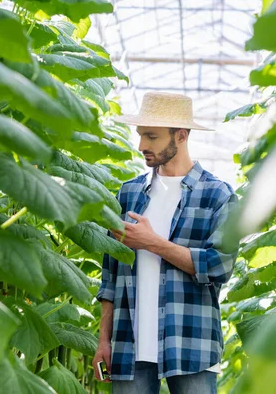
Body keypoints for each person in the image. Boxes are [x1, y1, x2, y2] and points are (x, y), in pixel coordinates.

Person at [92, 92, 239, 394]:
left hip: (191, 347)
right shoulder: (129, 193)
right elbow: (110, 276)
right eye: (141, 135)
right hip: (129, 347)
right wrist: (103, 340)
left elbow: (219, 266)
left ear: (181, 136)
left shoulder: (217, 195)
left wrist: (153, 243)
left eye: (152, 136)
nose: (141, 145)